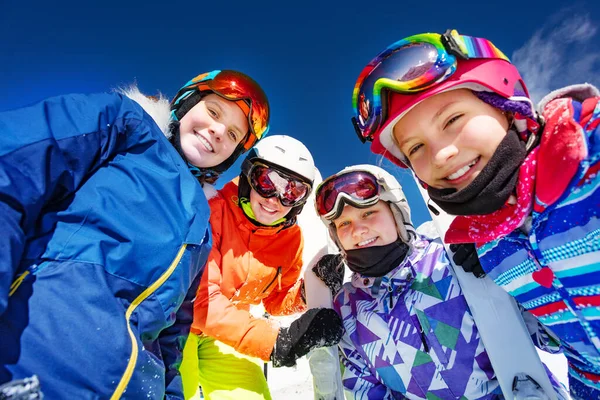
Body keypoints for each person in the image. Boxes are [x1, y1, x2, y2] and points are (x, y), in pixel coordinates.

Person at [350, 28, 600, 399]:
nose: (441, 154)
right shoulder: (494, 249)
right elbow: (559, 338)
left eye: (452, 120)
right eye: (415, 147)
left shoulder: (588, 165)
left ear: (504, 101)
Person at [0, 69, 270, 399]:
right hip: (31, 365)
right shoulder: (125, 125)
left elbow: (170, 341)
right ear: (186, 103)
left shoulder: (201, 229)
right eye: (214, 112)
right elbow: (12, 168)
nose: (217, 132)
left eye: (232, 135)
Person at [312, 164, 569, 399]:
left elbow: (557, 337)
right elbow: (365, 389)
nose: (357, 230)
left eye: (368, 213)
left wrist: (512, 266)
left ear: (396, 212)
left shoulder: (451, 259)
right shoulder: (348, 310)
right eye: (344, 223)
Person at [180, 135, 344, 400]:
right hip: (180, 322)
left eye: (293, 191)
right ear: (248, 177)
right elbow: (199, 299)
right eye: (267, 182)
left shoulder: (291, 241)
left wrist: (306, 293)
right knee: (172, 390)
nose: (275, 199)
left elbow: (275, 301)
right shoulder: (213, 211)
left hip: (226, 334)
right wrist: (277, 342)